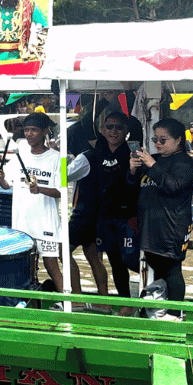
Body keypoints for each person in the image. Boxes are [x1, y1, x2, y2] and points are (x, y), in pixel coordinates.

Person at [66, 112, 139, 310]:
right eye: (109, 127)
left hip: (125, 216)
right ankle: (113, 302)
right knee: (105, 259)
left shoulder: (133, 154)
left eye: (118, 127)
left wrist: (133, 170)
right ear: (102, 130)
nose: (113, 131)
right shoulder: (95, 153)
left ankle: (123, 302)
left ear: (126, 131)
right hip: (102, 216)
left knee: (125, 261)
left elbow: (137, 185)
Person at [128, 118, 193, 320]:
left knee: (172, 268)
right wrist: (133, 170)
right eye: (155, 139)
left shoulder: (185, 163)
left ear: (178, 140)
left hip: (172, 224)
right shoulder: (154, 159)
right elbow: (131, 188)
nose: (158, 144)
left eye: (163, 140)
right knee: (156, 265)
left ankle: (175, 313)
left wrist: (152, 165)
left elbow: (173, 186)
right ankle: (160, 308)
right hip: (150, 224)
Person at [0, 112, 63, 292]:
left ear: (44, 131)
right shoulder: (20, 155)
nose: (29, 134)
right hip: (23, 222)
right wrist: (0, 179)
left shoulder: (59, 159)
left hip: (46, 223)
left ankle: (68, 303)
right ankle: (28, 301)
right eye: (26, 130)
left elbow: (61, 193)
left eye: (34, 130)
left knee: (51, 264)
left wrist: (40, 189)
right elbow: (6, 185)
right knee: (27, 267)